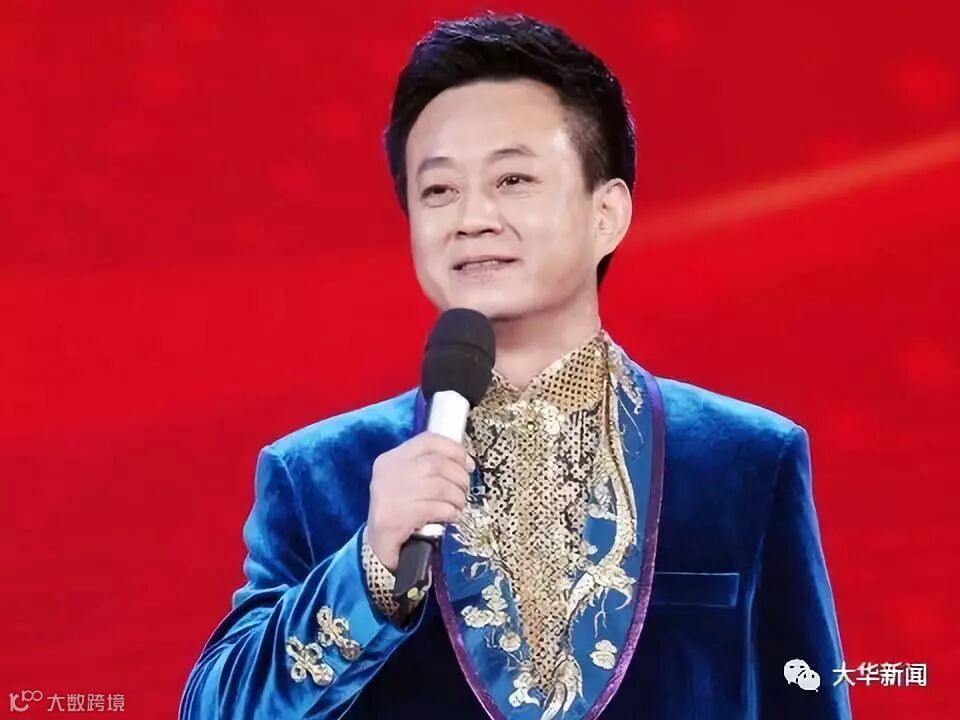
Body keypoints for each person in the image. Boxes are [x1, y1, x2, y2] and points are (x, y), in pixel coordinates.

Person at [180, 13, 851, 719]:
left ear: (607, 213)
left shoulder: (747, 460)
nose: (472, 217)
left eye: (513, 179)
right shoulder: (318, 474)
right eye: (439, 190)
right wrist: (368, 568)